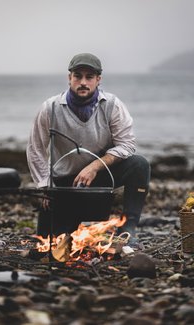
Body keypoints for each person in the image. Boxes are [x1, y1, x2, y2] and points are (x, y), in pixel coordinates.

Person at [26, 53, 150, 244]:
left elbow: (127, 144)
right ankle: (64, 222)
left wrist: (94, 166)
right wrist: (45, 187)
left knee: (139, 165)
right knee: (47, 242)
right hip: (63, 185)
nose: (83, 82)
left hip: (100, 178)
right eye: (78, 76)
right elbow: (36, 150)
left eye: (89, 77)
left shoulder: (112, 106)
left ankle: (129, 228)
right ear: (70, 78)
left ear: (98, 80)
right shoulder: (50, 108)